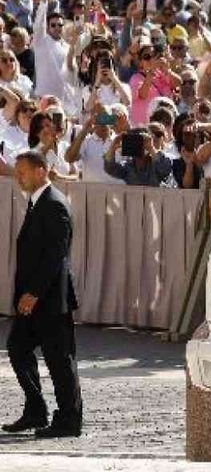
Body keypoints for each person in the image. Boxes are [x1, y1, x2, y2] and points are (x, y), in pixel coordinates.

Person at [5, 150, 83, 438]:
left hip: (50, 300)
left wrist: (34, 293)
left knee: (60, 361)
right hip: (32, 300)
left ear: (41, 171)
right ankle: (36, 410)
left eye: (22, 171)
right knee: (17, 348)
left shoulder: (54, 204)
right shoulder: (36, 203)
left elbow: (55, 256)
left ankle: (69, 420)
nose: (18, 176)